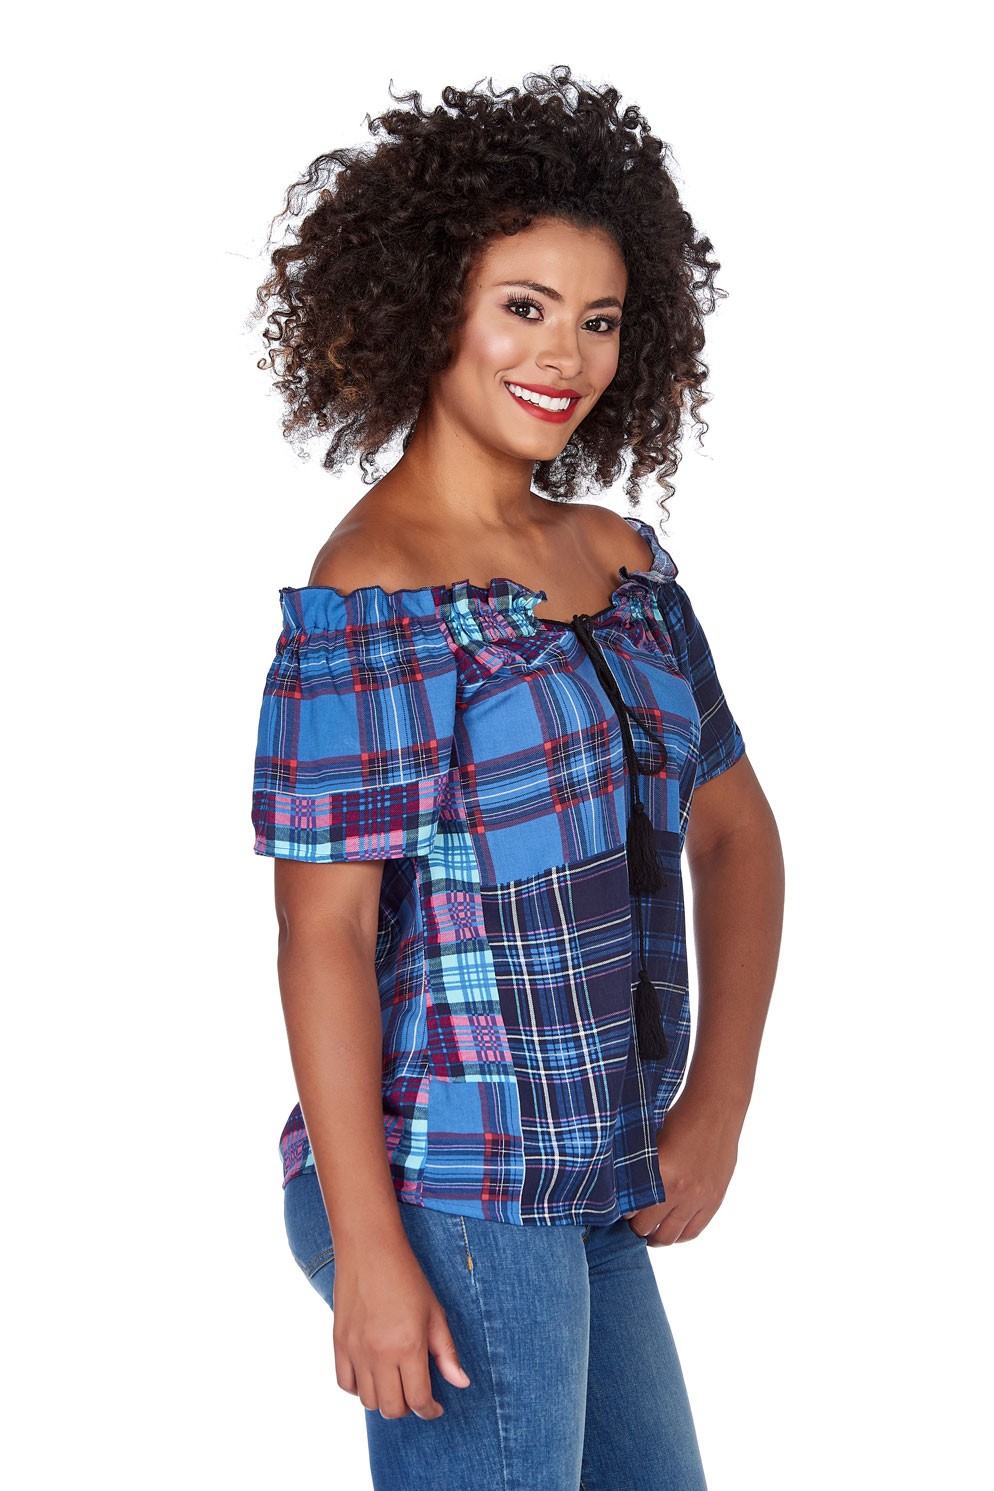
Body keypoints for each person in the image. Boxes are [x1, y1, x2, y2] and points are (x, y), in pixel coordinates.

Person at [249, 66, 784, 1491]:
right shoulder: (373, 596)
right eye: (525, 307)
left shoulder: (617, 562)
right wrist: (369, 1249)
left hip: (596, 1167)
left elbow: (736, 835)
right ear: (432, 305)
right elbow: (322, 933)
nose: (566, 356)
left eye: (599, 319)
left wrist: (716, 1104)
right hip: (449, 1185)